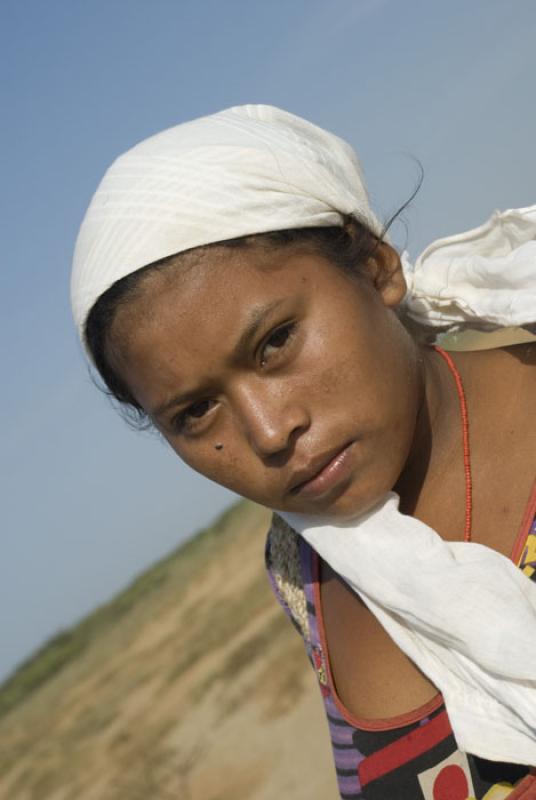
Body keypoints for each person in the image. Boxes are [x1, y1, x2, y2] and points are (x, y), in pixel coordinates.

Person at [71, 105, 536, 800]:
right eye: (195, 412)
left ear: (376, 267)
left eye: (275, 342)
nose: (267, 432)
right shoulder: (305, 575)